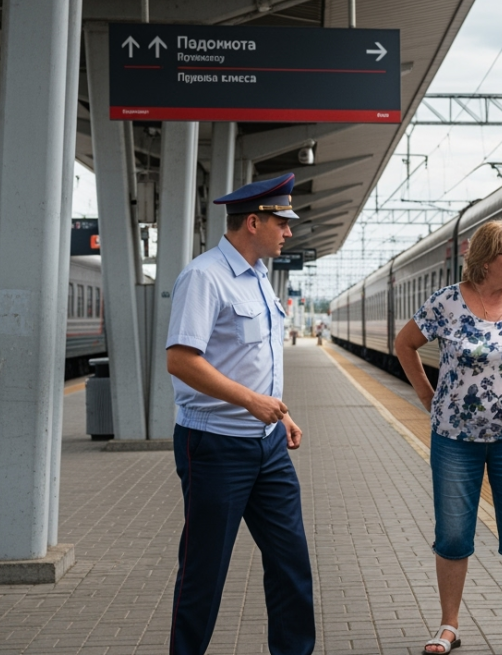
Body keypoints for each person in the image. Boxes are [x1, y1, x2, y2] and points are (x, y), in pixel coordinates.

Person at [395, 220, 502, 655]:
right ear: (485, 260)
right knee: (452, 533)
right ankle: (448, 625)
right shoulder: (447, 302)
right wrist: (426, 395)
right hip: (454, 437)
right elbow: (404, 343)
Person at [164, 172, 316, 655]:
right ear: (253, 221)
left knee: (291, 563)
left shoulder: (259, 280)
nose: (289, 232)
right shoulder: (204, 277)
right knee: (204, 571)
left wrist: (279, 413)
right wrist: (251, 402)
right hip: (215, 447)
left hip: (267, 445)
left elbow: (254, 361)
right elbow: (181, 360)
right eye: (282, 222)